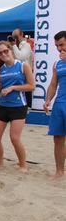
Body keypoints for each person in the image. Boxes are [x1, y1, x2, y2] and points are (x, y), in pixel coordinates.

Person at [0, 41, 35, 171]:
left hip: (18, 106)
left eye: (5, 51)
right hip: (2, 106)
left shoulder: (22, 65)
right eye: (0, 53)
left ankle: (23, 164)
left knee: (14, 138)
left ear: (11, 50)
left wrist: (13, 88)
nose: (3, 54)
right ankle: (0, 163)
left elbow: (31, 86)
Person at [43, 30, 66, 180]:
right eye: (57, 46)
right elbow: (53, 84)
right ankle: (59, 171)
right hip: (60, 103)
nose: (59, 48)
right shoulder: (57, 63)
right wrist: (47, 99)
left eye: (62, 45)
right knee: (58, 138)